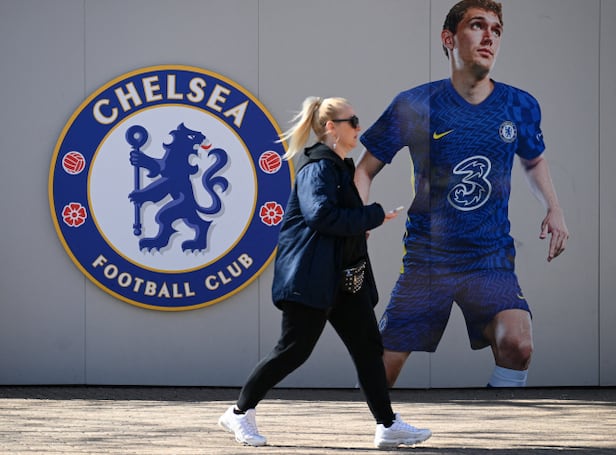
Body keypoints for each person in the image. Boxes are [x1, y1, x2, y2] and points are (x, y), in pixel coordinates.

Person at [355, 0, 569, 388]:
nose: (489, 37)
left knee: (518, 344)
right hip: (429, 257)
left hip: (489, 257)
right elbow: (365, 169)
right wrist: (357, 218)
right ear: (448, 38)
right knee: (381, 367)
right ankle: (366, 420)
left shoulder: (519, 105)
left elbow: (534, 159)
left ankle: (503, 420)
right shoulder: (414, 104)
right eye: (477, 26)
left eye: (496, 30)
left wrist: (553, 208)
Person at [218, 96, 432, 448]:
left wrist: (362, 227)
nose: (359, 127)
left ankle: (387, 424)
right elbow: (320, 215)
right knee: (293, 350)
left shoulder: (340, 167)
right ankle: (239, 413)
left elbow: (336, 221)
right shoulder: (318, 167)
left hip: (343, 280)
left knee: (368, 348)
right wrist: (371, 216)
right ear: (332, 127)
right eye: (353, 121)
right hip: (312, 279)